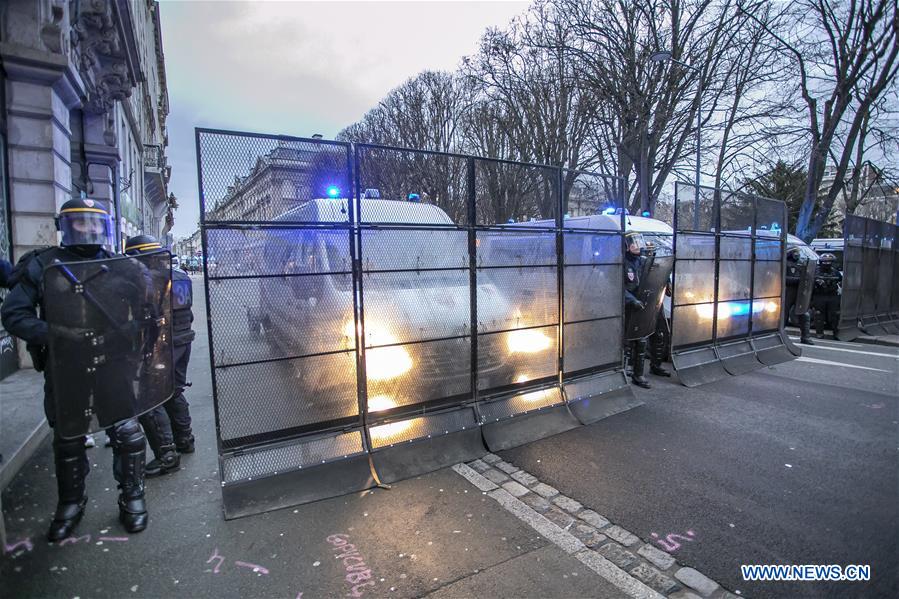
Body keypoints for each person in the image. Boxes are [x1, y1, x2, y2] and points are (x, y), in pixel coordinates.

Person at [1, 198, 150, 540]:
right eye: (80, 222)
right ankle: (70, 502)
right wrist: (57, 335)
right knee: (68, 437)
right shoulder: (41, 265)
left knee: (126, 432)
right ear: (65, 226)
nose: (89, 229)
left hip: (112, 363)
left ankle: (133, 496)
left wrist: (133, 333)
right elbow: (14, 314)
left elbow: (148, 308)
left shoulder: (121, 265)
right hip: (66, 365)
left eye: (95, 223)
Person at [125, 235, 195, 477]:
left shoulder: (149, 282)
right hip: (183, 341)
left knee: (150, 398)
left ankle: (166, 453)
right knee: (174, 390)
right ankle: (185, 439)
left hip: (160, 344)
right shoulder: (181, 276)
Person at [623, 232, 651, 388]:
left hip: (641, 306)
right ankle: (623, 371)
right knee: (626, 342)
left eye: (638, 242)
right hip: (628, 306)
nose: (637, 246)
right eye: (633, 243)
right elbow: (618, 286)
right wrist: (631, 300)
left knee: (641, 340)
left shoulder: (643, 262)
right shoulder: (622, 262)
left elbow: (653, 276)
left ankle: (638, 374)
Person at [786, 247, 814, 345]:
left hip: (799, 292)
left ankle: (805, 337)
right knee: (783, 316)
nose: (797, 254)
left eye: (798, 252)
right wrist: (798, 281)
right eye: (795, 252)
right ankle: (780, 335)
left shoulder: (801, 265)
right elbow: (782, 278)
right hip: (787, 292)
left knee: (804, 314)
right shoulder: (784, 264)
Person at [812, 252, 842, 338]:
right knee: (819, 315)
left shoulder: (835, 272)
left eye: (829, 262)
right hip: (819, 295)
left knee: (835, 315)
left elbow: (840, 282)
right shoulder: (816, 272)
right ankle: (819, 333)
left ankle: (836, 333)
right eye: (825, 262)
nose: (827, 264)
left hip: (832, 295)